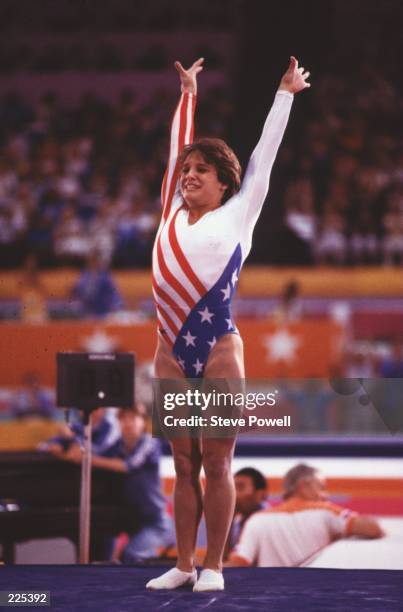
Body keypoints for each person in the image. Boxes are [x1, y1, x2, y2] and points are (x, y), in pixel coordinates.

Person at [147, 56, 311, 592]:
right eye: (187, 171)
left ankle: (214, 566)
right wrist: (188, 93)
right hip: (170, 349)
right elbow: (176, 147)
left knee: (217, 463)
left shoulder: (239, 214)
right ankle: (184, 564)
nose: (189, 175)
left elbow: (265, 157)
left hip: (216, 346)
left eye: (201, 172)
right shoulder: (170, 210)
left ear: (223, 185)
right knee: (182, 461)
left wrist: (285, 93)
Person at [59, 404, 174, 563]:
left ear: (143, 422)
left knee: (131, 555)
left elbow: (128, 465)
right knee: (106, 553)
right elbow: (95, 451)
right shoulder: (118, 444)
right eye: (123, 418)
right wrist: (73, 445)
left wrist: (86, 458)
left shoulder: (149, 443)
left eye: (133, 418)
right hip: (131, 518)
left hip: (155, 522)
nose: (127, 423)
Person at [228, 463, 384, 567]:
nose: (325, 495)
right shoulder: (325, 511)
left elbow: (238, 562)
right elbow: (373, 528)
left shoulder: (258, 519)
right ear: (304, 486)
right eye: (321, 487)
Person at [224, 467, 269, 559]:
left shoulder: (269, 521)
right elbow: (223, 558)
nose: (234, 494)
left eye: (240, 488)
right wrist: (229, 518)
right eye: (232, 487)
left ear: (261, 494)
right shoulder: (237, 521)